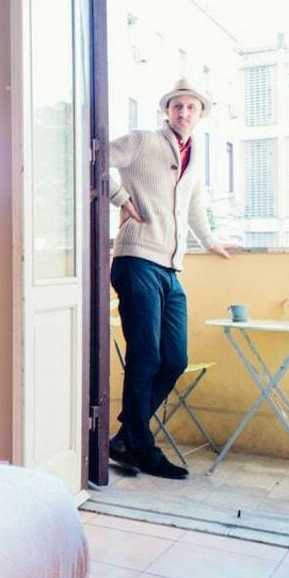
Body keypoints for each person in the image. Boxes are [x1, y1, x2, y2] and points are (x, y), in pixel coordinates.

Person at [107, 78, 232, 479]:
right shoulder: (143, 142)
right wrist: (121, 199)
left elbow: (194, 206)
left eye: (191, 107)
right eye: (177, 106)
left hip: (170, 267)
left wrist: (210, 242)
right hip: (137, 258)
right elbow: (91, 156)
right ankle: (141, 447)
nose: (184, 112)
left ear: (200, 114)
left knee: (174, 359)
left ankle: (125, 438)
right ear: (167, 110)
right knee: (145, 356)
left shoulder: (194, 157)